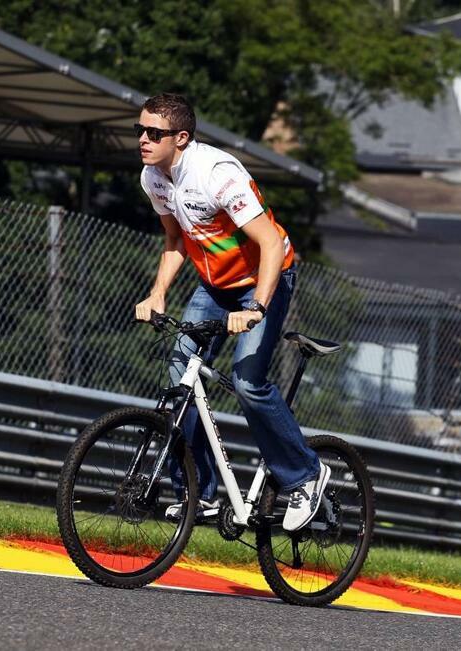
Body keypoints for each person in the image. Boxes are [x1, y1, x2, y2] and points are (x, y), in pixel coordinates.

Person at [133, 93, 328, 531]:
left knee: (247, 381)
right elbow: (175, 241)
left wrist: (257, 306)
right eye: (140, 131)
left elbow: (271, 244)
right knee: (181, 373)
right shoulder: (153, 178)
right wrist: (157, 293)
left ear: (181, 138)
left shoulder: (217, 175)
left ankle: (305, 477)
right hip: (216, 285)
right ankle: (197, 493)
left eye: (154, 133)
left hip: (266, 279)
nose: (143, 139)